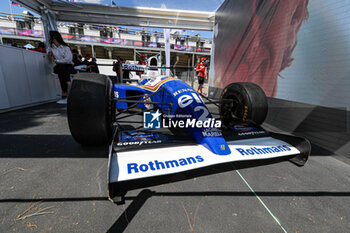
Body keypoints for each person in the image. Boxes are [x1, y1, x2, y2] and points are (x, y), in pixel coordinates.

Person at [47, 30, 74, 104]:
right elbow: (53, 58)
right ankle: (68, 84)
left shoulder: (65, 48)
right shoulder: (51, 48)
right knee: (61, 69)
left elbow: (68, 60)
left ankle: (64, 93)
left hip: (68, 66)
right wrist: (54, 59)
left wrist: (56, 60)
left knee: (62, 69)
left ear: (54, 38)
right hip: (59, 67)